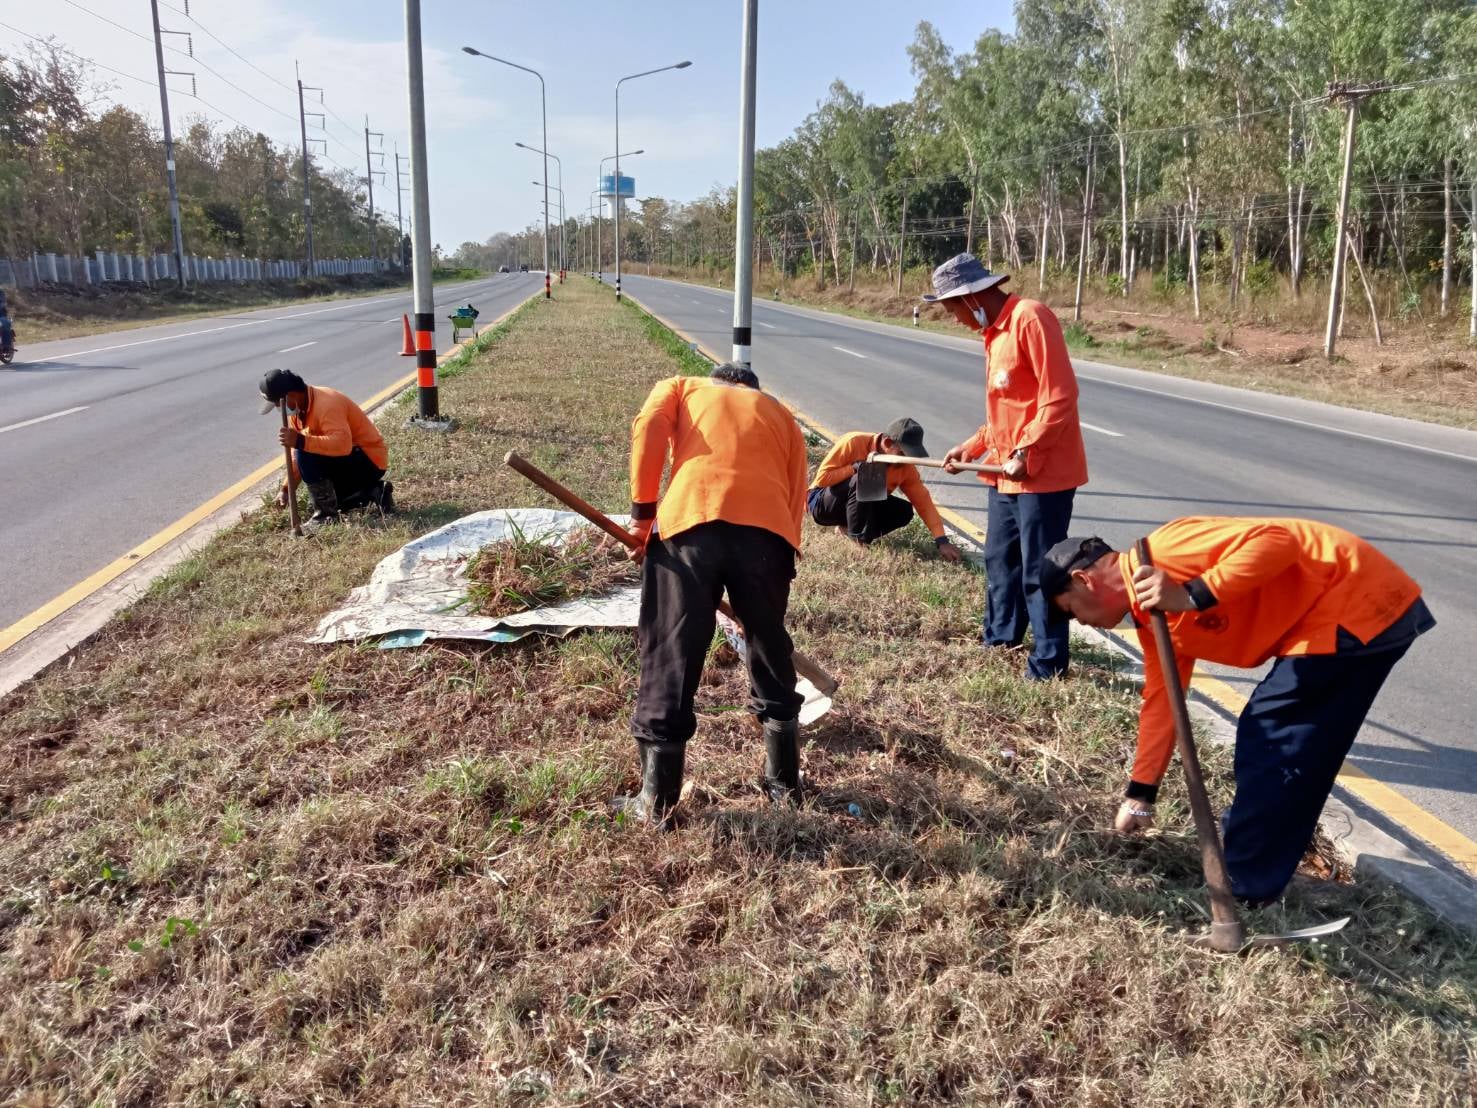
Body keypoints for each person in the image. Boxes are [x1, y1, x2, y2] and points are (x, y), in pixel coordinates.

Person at [1041, 517, 1434, 904]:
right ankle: (1252, 863)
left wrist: (1191, 595)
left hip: (1356, 596)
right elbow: (1163, 703)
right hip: (1339, 618)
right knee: (1290, 745)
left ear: (1084, 580)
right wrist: (1140, 795)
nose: (1083, 624)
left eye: (1072, 611)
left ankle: (1244, 886)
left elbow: (1278, 541)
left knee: (1274, 735)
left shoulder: (1165, 550)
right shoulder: (1153, 617)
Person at [620, 361, 810, 828]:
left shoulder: (682, 387)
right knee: (769, 646)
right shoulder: (782, 414)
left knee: (672, 649)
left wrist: (642, 518)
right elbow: (796, 489)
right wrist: (781, 557)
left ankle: (656, 801)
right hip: (768, 537)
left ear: (718, 381)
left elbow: (648, 428)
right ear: (753, 389)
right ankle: (784, 785)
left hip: (691, 524)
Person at [931, 253, 1088, 680]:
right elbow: (1008, 411)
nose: (955, 319)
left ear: (972, 297)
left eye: (953, 309)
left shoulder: (1030, 318)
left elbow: (1059, 396)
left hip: (1043, 476)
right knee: (1000, 562)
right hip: (1004, 472)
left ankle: (1048, 664)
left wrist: (1026, 451)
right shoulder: (993, 334)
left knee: (1042, 570)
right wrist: (972, 448)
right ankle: (1001, 641)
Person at [258, 368, 394, 534]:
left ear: (290, 395)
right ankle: (376, 491)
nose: (278, 409)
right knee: (332, 501)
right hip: (348, 460)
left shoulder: (326, 404)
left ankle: (326, 516)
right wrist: (286, 489)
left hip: (369, 460)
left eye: (277, 404)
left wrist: (300, 441)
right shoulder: (297, 412)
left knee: (304, 449)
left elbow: (342, 444)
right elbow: (296, 459)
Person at [808, 417, 961, 562]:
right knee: (867, 476)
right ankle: (856, 540)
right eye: (902, 453)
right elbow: (823, 479)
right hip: (822, 503)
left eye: (909, 455)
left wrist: (941, 540)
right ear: (887, 443)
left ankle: (849, 530)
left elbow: (923, 501)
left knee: (903, 511)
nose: (906, 459)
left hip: (858, 508)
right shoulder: (854, 441)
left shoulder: (905, 466)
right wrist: (855, 468)